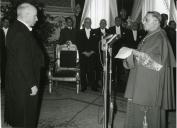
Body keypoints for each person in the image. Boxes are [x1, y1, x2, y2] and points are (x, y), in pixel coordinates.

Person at [123, 11, 175, 128]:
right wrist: (129, 58)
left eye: (146, 19)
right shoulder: (150, 34)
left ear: (156, 22)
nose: (143, 21)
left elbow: (158, 65)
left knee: (148, 117)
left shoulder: (160, 37)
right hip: (141, 80)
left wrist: (135, 54)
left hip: (149, 86)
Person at [4, 3, 44, 128]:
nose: (37, 19)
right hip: (24, 83)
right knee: (25, 118)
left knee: (22, 116)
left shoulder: (19, 28)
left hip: (20, 80)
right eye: (35, 16)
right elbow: (23, 61)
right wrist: (32, 84)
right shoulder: (20, 32)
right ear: (26, 15)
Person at [77, 17, 98, 91]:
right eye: (86, 22)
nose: (87, 23)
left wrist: (92, 52)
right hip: (83, 54)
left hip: (92, 54)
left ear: (91, 23)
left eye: (89, 22)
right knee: (83, 71)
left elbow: (96, 43)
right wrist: (84, 52)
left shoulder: (94, 32)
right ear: (84, 23)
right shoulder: (80, 32)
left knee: (92, 71)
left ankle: (93, 86)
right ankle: (83, 86)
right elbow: (78, 43)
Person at [0, 17, 9, 88]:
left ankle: (7, 85)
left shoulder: (11, 31)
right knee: (2, 68)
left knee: (7, 69)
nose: (7, 23)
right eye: (5, 22)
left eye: (8, 22)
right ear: (2, 22)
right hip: (1, 53)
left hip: (9, 53)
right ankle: (3, 85)